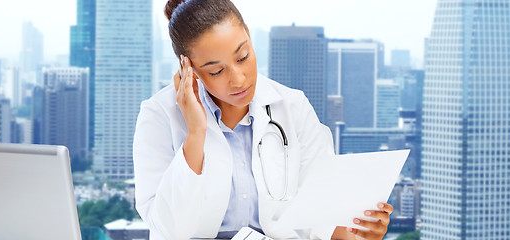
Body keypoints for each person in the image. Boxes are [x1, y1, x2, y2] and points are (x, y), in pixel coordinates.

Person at [133, 0, 393, 239]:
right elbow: (167, 227)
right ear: (188, 68)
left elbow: (318, 212)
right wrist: (196, 132)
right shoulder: (158, 116)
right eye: (217, 70)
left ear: (248, 33)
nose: (239, 79)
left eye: (242, 57)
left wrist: (357, 231)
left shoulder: (292, 106)